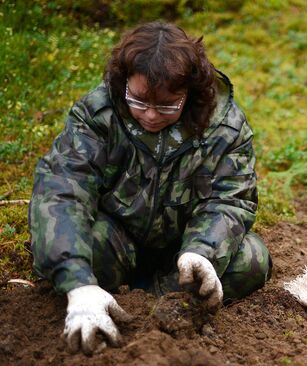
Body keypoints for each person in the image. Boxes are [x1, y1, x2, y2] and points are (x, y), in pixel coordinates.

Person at [29, 21, 272, 355]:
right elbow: (61, 189)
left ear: (190, 93)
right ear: (123, 80)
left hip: (182, 254)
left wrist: (202, 251)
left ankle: (157, 302)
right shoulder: (98, 115)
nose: (152, 116)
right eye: (139, 100)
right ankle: (97, 296)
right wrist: (77, 283)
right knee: (74, 247)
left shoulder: (224, 127)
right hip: (116, 240)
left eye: (168, 105)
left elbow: (230, 199)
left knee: (251, 259)